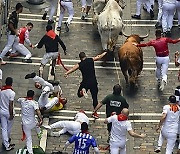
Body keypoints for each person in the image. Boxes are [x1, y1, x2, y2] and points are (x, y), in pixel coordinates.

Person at [64, 51, 107, 118]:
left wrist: (67, 73)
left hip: (85, 82)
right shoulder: (90, 60)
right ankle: (95, 113)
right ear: (85, 56)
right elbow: (98, 57)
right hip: (93, 82)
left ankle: (82, 91)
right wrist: (105, 53)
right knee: (94, 98)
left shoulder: (80, 64)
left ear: (80, 58)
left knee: (79, 94)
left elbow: (73, 69)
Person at [17, 90, 43, 154]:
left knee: (29, 139)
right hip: (32, 123)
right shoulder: (34, 103)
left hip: (25, 125)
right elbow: (38, 111)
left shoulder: (22, 100)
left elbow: (18, 99)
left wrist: (25, 98)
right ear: (33, 96)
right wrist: (41, 119)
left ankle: (30, 152)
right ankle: (39, 133)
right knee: (37, 122)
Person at [0, 77, 15, 151]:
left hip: (2, 111)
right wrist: (11, 114)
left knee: (4, 128)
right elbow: (10, 105)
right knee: (8, 129)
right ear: (11, 83)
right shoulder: (11, 93)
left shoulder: (1, 91)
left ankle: (6, 143)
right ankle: (7, 143)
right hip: (8, 112)